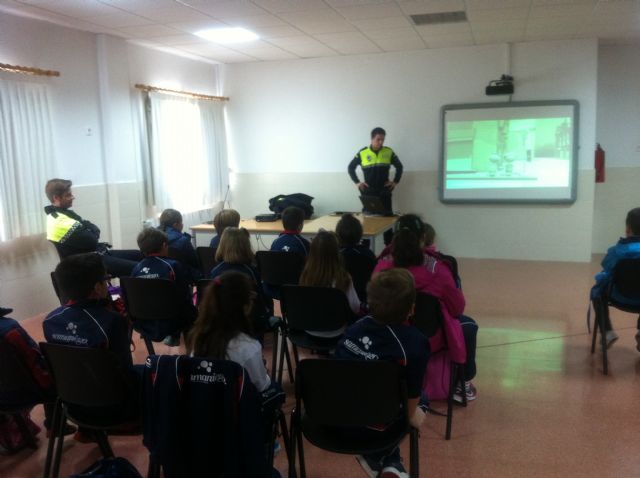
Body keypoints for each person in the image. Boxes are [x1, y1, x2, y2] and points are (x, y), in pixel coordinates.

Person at [334, 269, 428, 478]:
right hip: (377, 424)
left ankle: (384, 459)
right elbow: (410, 410)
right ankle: (385, 456)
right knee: (422, 398)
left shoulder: (352, 329)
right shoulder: (415, 343)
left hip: (337, 417)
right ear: (411, 309)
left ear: (370, 301)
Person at [375, 214, 478, 403]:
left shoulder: (381, 266)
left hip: (388, 337)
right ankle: (462, 384)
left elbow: (374, 304)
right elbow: (457, 309)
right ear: (423, 238)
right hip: (428, 340)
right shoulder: (438, 268)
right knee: (468, 325)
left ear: (394, 238)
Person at [185, 271, 285, 457]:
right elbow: (261, 387)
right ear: (245, 306)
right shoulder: (248, 347)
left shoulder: (197, 340)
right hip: (239, 423)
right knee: (273, 389)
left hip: (204, 418)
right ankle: (266, 446)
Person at [0, 306, 76, 444]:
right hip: (17, 395)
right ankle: (56, 425)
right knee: (53, 372)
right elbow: (34, 358)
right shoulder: (9, 328)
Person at [44, 178, 142, 277]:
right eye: (68, 195)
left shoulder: (65, 213)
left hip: (96, 254)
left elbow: (92, 227)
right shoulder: (58, 221)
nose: (73, 197)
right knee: (142, 269)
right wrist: (90, 229)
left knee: (140, 255)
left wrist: (89, 229)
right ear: (56, 198)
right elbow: (91, 240)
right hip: (86, 264)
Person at [132, 228, 197, 347]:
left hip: (144, 320)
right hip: (173, 320)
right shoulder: (173, 266)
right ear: (164, 245)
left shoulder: (136, 269)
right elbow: (184, 295)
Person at [590, 207, 640, 351]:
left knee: (598, 292)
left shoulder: (617, 251)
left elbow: (606, 268)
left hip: (620, 296)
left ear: (628, 229)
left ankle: (607, 332)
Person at [209, 227, 271, 338]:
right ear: (245, 246)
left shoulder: (215, 271)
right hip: (247, 323)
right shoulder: (251, 272)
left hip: (221, 323)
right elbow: (260, 302)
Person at [299, 231, 361, 338]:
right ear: (337, 253)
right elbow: (356, 307)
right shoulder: (344, 278)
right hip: (336, 331)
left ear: (312, 253)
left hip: (309, 329)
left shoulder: (305, 276)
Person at [348, 127, 403, 215]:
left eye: (383, 139)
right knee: (369, 218)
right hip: (368, 191)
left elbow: (399, 167)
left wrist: (395, 181)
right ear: (372, 138)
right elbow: (350, 167)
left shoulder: (388, 152)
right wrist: (358, 183)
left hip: (384, 190)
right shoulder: (363, 153)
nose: (381, 142)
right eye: (378, 139)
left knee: (387, 217)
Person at [158, 208, 201, 280]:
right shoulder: (183, 240)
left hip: (160, 275)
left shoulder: (152, 237)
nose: (182, 225)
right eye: (181, 222)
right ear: (175, 225)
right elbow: (195, 263)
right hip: (182, 277)